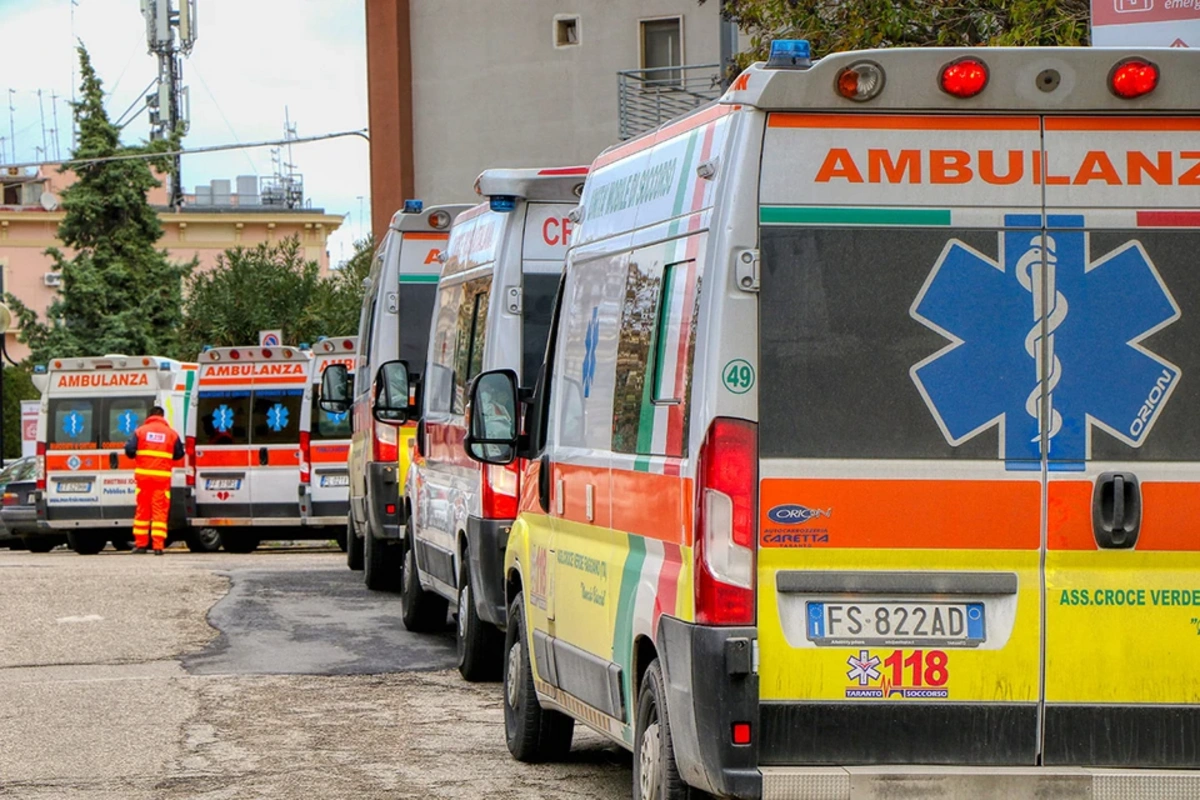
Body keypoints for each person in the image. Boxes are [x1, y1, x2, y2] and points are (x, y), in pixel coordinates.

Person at [124, 406, 184, 555]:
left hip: (144, 479)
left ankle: (141, 545)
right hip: (161, 479)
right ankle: (158, 546)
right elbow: (179, 454)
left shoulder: (140, 431)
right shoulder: (171, 434)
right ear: (162, 416)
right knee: (159, 511)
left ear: (150, 416)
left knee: (142, 511)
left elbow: (129, 450)